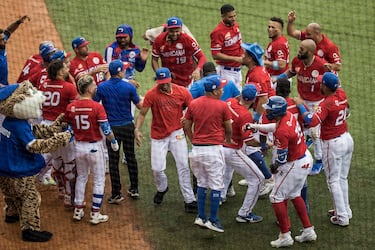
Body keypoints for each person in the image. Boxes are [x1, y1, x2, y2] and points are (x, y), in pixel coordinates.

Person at [134, 67, 197, 212]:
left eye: (166, 82)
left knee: (183, 166)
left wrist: (186, 117)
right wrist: (137, 129)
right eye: (161, 82)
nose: (164, 85)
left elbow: (192, 108)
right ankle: (162, 188)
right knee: (157, 169)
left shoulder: (182, 92)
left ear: (171, 79)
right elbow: (143, 113)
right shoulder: (152, 94)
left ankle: (189, 200)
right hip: (158, 135)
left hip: (177, 133)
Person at [295, 72, 353, 227]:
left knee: (333, 180)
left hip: (333, 144)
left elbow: (311, 121)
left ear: (326, 87)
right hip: (347, 139)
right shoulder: (341, 93)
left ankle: (342, 217)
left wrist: (301, 104)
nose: (319, 84)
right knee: (342, 178)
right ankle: (345, 210)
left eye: (321, 83)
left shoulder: (327, 103)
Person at [262, 96, 316, 248]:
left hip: (295, 163)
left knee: (275, 196)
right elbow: (274, 127)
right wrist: (255, 126)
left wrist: (274, 167)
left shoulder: (282, 131)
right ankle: (308, 231)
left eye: (270, 109)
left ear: (276, 111)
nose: (268, 111)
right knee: (294, 194)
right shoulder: (289, 116)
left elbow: (281, 158)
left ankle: (285, 235)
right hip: (305, 157)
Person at [66, 75, 119, 225]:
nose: (96, 87)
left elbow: (69, 127)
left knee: (82, 177)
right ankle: (95, 214)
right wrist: (114, 142)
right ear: (89, 89)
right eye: (94, 85)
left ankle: (78, 210)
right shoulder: (97, 107)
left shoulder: (71, 107)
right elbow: (106, 129)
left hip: (78, 147)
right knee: (99, 179)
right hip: (94, 148)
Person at [184, 75, 232, 233]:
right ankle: (213, 220)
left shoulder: (193, 103)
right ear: (216, 91)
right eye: (221, 87)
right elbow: (228, 127)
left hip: (196, 151)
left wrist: (193, 139)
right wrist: (228, 139)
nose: (223, 89)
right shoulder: (222, 106)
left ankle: (200, 216)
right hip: (213, 150)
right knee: (217, 185)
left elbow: (186, 124)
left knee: (202, 183)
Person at [277, 39, 328, 175]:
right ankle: (300, 152)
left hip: (317, 102)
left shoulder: (321, 65)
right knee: (300, 128)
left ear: (311, 52)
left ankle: (319, 160)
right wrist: (277, 79)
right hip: (301, 100)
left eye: (302, 49)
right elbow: (291, 72)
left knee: (315, 133)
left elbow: (331, 81)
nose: (299, 51)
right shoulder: (297, 61)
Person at [94, 60, 142, 202]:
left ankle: (116, 193)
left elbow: (94, 104)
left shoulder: (101, 87)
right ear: (120, 72)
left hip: (111, 129)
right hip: (128, 127)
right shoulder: (129, 87)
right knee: (131, 157)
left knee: (113, 161)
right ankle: (134, 189)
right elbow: (139, 106)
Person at [222, 84, 264, 223]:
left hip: (218, 145)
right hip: (231, 150)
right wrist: (264, 144)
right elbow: (249, 141)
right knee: (258, 179)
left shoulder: (229, 101)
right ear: (253, 100)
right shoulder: (245, 115)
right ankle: (244, 214)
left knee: (228, 170)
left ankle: (221, 196)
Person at [39, 59, 78, 208]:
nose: (68, 68)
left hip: (45, 127)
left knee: (56, 159)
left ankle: (60, 189)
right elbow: (73, 110)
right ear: (61, 72)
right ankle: (69, 197)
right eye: (65, 67)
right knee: (69, 163)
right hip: (61, 128)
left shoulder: (44, 85)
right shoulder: (68, 88)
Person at [152, 16, 207, 87]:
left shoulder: (187, 40)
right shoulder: (159, 40)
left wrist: (197, 70)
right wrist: (159, 73)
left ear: (181, 29)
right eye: (171, 31)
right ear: (167, 29)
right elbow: (154, 59)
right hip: (169, 81)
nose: (174, 34)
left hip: (187, 80)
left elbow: (202, 57)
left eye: (177, 31)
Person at [210, 4, 243, 90]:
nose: (234, 19)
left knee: (238, 99)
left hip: (238, 71)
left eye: (234, 16)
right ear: (223, 16)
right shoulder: (217, 32)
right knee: (228, 99)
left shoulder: (235, 25)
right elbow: (215, 55)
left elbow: (239, 44)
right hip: (226, 72)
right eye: (230, 17)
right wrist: (236, 59)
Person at [0, 15, 30, 86]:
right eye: (2, 40)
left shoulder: (2, 46)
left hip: (4, 85)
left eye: (4, 38)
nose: (5, 41)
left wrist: (18, 22)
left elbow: (9, 31)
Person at [264, 17, 290, 88]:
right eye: (269, 27)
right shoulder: (278, 40)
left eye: (273, 27)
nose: (269, 29)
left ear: (280, 30)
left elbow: (281, 65)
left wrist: (265, 63)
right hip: (277, 78)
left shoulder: (278, 44)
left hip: (277, 80)